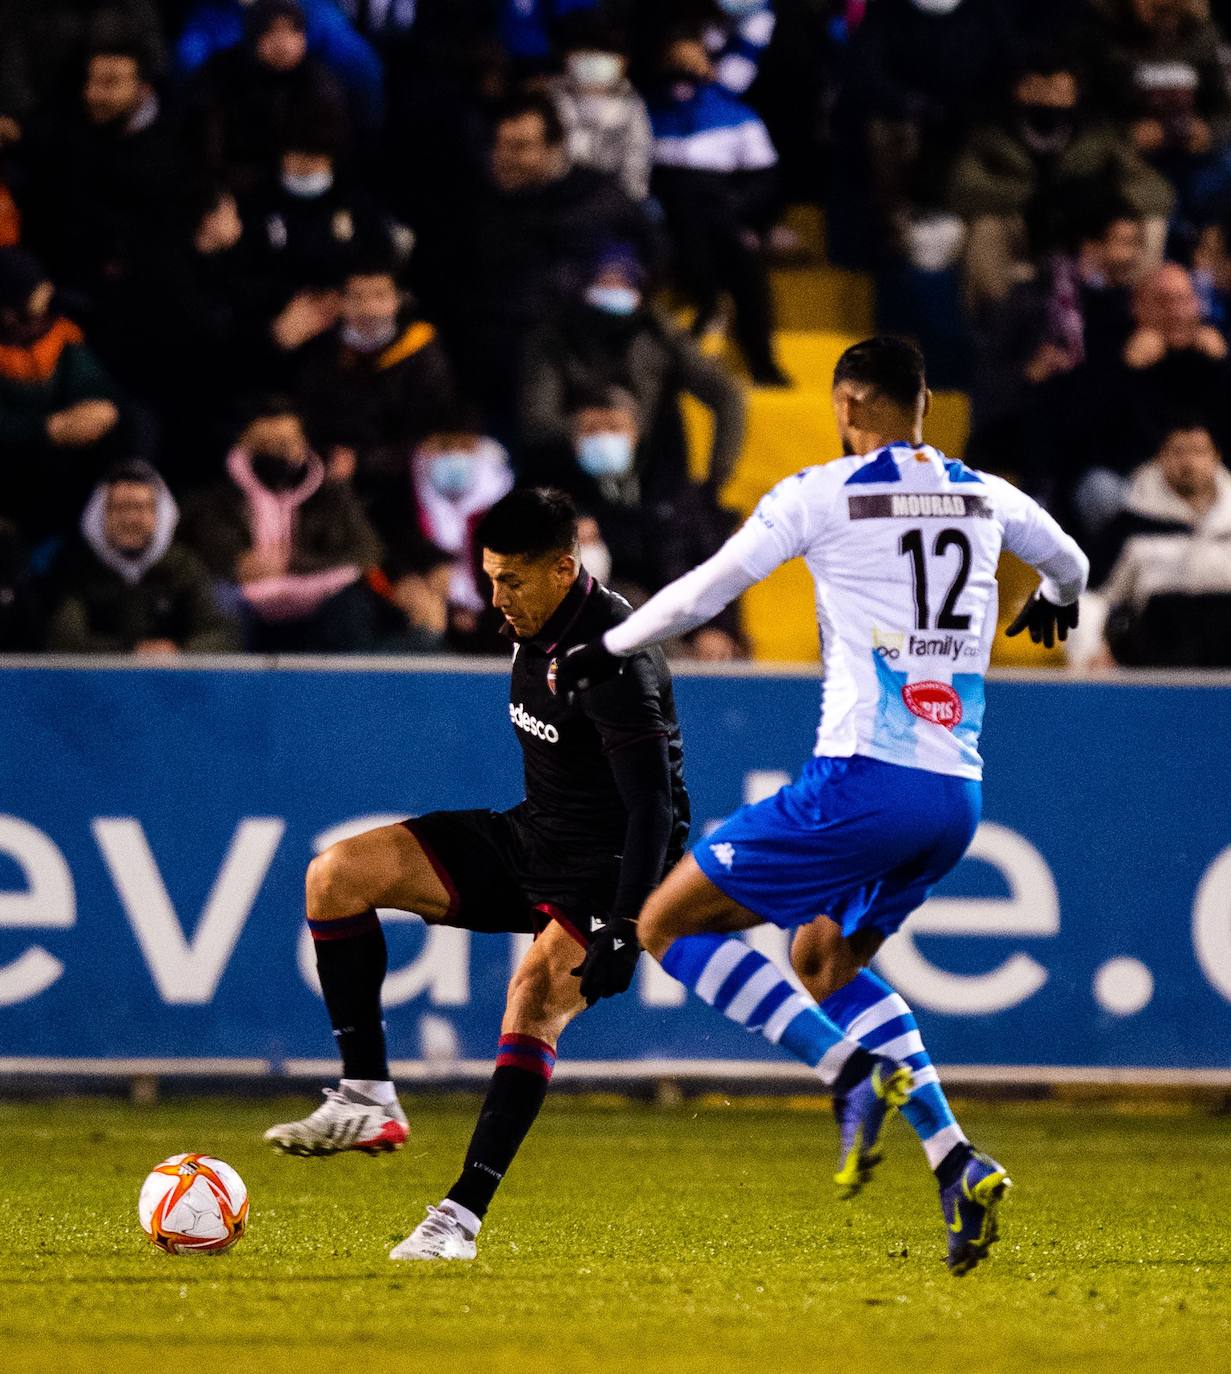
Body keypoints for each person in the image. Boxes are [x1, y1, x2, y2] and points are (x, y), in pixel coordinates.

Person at [556, 336, 1090, 1275]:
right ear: (923, 403)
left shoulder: (820, 493)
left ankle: (847, 1073)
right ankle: (954, 1157)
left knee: (663, 922)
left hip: (863, 779)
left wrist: (609, 648)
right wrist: (1052, 599)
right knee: (820, 957)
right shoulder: (985, 493)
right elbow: (1073, 562)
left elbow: (706, 589)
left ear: (847, 403)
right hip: (954, 797)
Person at [262, 487, 691, 1263]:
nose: (496, 599)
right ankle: (367, 1095)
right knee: (336, 875)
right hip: (532, 835)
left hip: (616, 864)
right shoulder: (532, 623)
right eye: (488, 576)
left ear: (565, 568)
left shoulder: (615, 659)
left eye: (511, 581)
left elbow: (654, 810)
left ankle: (457, 1219)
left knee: (531, 998)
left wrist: (627, 927)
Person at [950, 49, 1174, 306]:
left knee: (1151, 224)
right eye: (1038, 89)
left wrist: (1108, 200)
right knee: (986, 227)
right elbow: (962, 188)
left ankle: (1134, 309)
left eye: (1058, 90)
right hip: (1022, 225)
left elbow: (1156, 190)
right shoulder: (993, 136)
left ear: (1075, 93)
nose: (1049, 99)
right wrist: (1031, 195)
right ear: (1019, 90)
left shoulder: (1096, 135)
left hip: (1088, 230)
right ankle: (1001, 316)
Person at [182, 395, 382, 652]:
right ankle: (224, 688)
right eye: (265, 446)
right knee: (217, 600)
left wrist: (292, 563)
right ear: (244, 445)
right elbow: (203, 549)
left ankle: (341, 689)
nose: (276, 454)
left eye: (286, 445)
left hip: (316, 601)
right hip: (245, 601)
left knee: (352, 603)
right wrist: (237, 564)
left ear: (302, 445)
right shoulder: (219, 496)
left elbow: (367, 551)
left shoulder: (331, 494)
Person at [646, 31, 789, 385]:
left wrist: (743, 215)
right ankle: (702, 305)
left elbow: (766, 180)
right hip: (666, 223)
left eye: (691, 62)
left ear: (709, 67)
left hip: (723, 220)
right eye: (674, 63)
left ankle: (760, 357)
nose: (682, 71)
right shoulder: (646, 113)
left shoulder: (737, 116)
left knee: (742, 255)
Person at [296, 263, 460, 540]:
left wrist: (364, 461)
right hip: (333, 485)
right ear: (340, 303)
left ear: (397, 300)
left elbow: (435, 432)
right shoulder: (320, 354)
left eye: (379, 296)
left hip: (407, 485)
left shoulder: (422, 353)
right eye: (357, 298)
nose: (369, 308)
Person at [1073, 421, 1231, 667]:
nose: (1188, 463)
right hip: (1158, 654)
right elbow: (1094, 596)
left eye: (1198, 452)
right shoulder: (1130, 525)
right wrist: (1093, 648)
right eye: (1178, 452)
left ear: (1216, 457)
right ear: (1161, 457)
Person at [45, 460, 237, 654]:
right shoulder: (76, 566)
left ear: (158, 515)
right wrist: (132, 652)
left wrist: (177, 651)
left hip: (170, 679)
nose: (130, 519)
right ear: (101, 515)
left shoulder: (182, 565)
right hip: (95, 681)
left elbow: (219, 634)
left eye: (140, 507)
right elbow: (63, 640)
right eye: (119, 508)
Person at [0, 249, 122, 541]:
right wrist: (45, 429)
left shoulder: (60, 332)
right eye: (35, 287)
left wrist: (100, 405)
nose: (48, 290)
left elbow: (89, 378)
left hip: (69, 451)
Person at [549, 16, 653, 201]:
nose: (594, 59)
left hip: (612, 204)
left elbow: (637, 161)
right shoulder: (549, 98)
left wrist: (626, 205)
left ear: (623, 61)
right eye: (586, 51)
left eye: (603, 52)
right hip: (556, 200)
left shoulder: (631, 102)